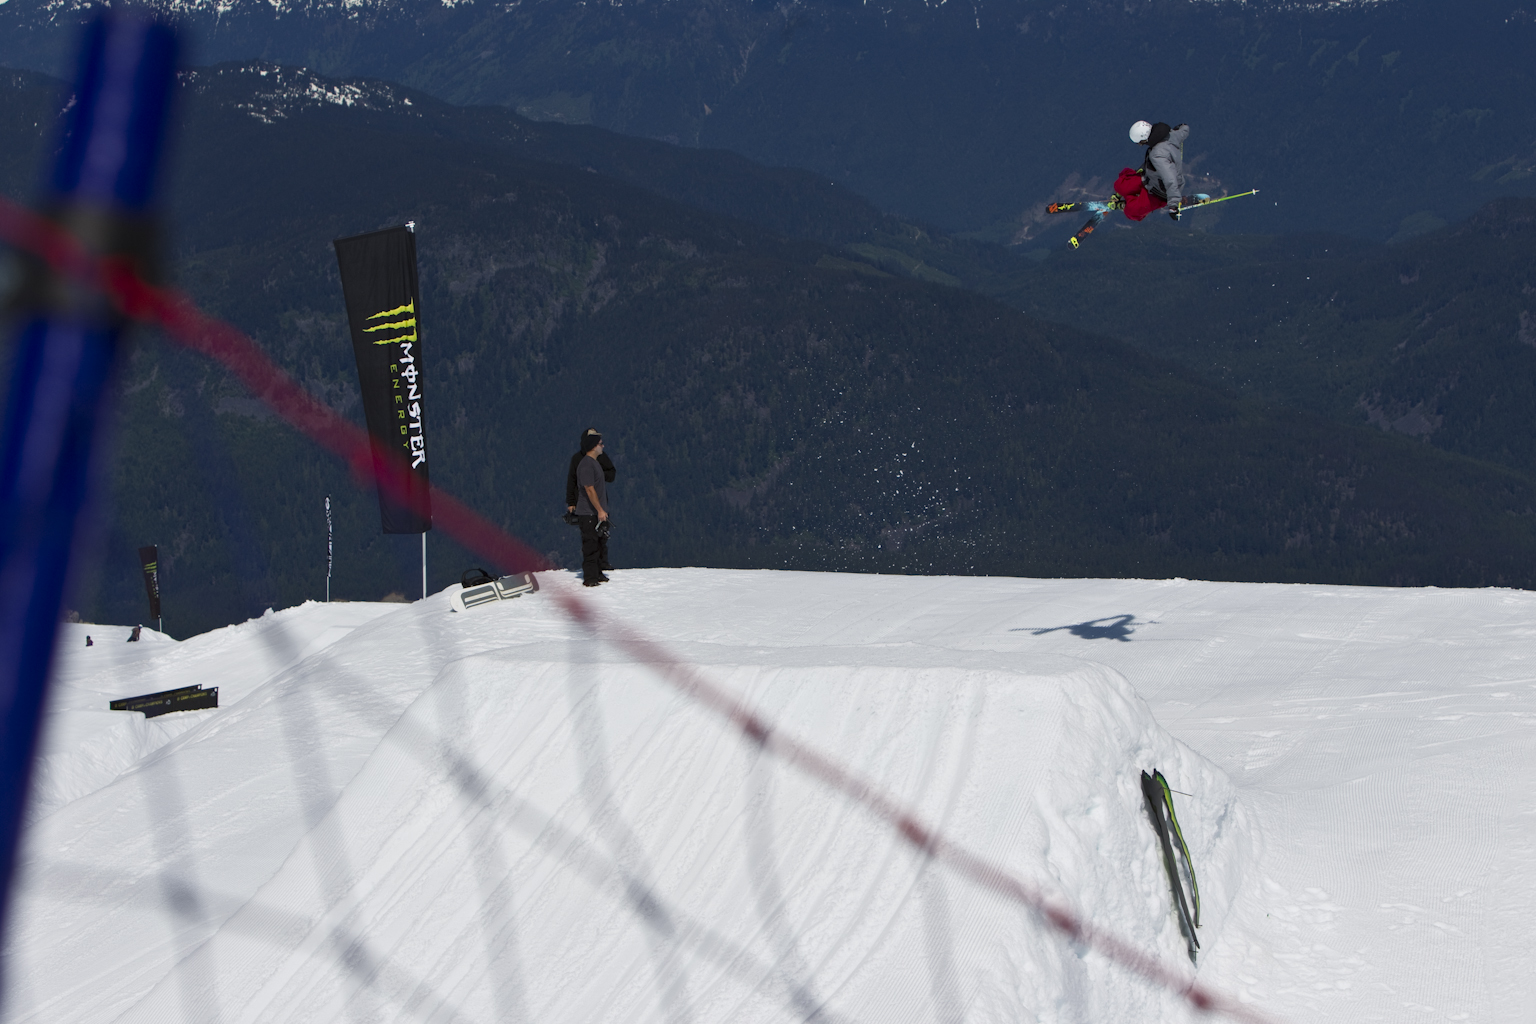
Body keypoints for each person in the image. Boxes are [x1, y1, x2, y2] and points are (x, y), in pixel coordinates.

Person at [1116, 120, 1190, 223]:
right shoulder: (1172, 135)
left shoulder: (1157, 155)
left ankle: (1127, 202)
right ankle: (1131, 197)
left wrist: (1173, 204)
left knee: (1132, 212)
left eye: (1140, 143)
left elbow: (1170, 178)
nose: (1141, 145)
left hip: (1159, 192)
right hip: (1151, 178)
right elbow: (1184, 131)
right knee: (1119, 185)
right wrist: (1182, 127)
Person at [566, 427, 615, 571]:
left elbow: (612, 474)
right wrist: (571, 502)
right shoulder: (578, 459)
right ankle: (593, 570)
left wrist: (598, 476)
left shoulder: (600, 457)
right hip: (586, 503)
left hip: (599, 500)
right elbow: (572, 480)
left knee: (602, 535)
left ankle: (603, 563)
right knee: (590, 538)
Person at [573, 433, 611, 586]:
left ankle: (597, 573)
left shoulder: (593, 463)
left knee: (599, 543)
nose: (603, 446)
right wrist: (600, 510)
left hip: (595, 513)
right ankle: (590, 578)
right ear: (593, 446)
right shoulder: (587, 465)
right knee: (590, 545)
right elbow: (589, 489)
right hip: (588, 513)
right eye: (600, 444)